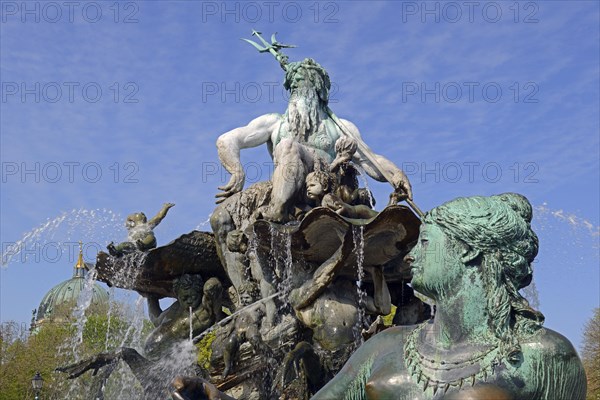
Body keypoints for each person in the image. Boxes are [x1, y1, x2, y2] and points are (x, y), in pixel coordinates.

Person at [312, 193, 587, 399]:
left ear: (468, 250)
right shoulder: (384, 346)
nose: (411, 255)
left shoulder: (546, 355)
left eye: (426, 243)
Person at [214, 58, 411, 222]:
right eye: (293, 87)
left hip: (327, 189)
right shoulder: (274, 123)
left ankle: (278, 209)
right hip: (292, 189)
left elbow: (371, 161)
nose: (296, 90)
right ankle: (278, 208)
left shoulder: (341, 127)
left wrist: (396, 174)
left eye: (301, 83)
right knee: (287, 146)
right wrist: (237, 171)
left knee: (287, 145)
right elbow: (227, 140)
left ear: (318, 89)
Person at [107, 202, 175, 256]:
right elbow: (127, 223)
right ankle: (115, 250)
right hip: (135, 246)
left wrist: (165, 207)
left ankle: (143, 245)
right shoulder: (132, 230)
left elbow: (159, 217)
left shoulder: (147, 224)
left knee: (151, 238)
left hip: (148, 244)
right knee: (124, 244)